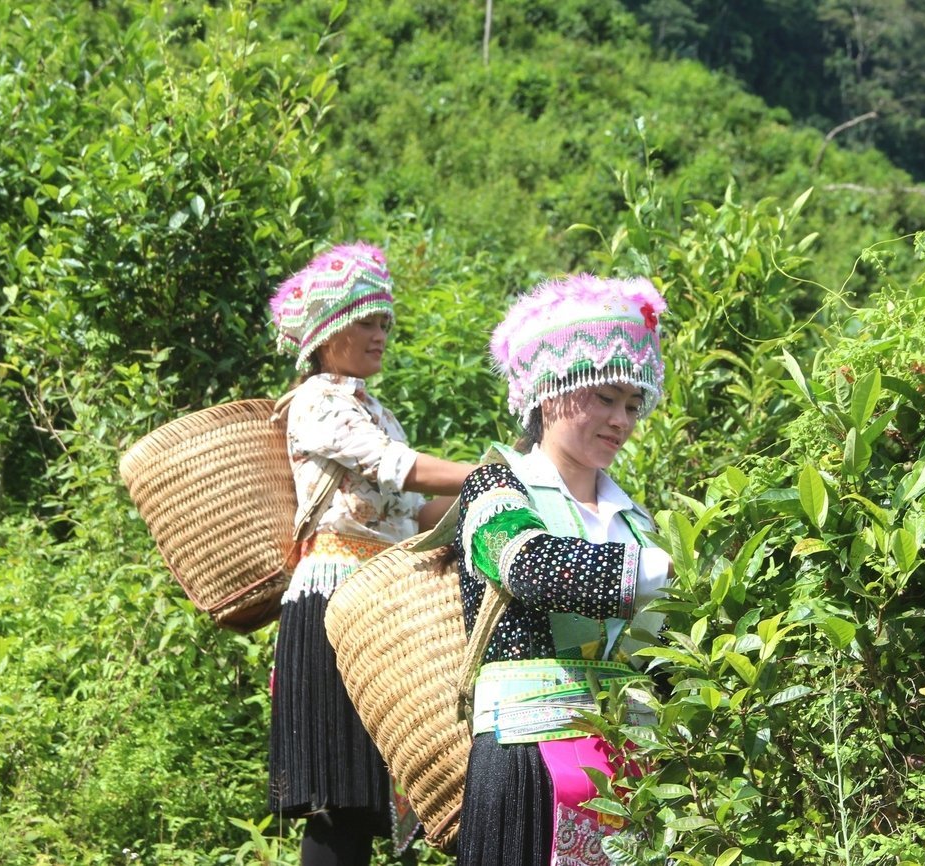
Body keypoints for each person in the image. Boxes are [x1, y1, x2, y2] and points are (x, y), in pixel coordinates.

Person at [452, 274, 674, 866]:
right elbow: (528, 565)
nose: (620, 420)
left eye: (631, 404)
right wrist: (664, 573)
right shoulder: (496, 488)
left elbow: (665, 652)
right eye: (603, 398)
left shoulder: (637, 521)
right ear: (551, 392)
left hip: (629, 767)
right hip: (527, 762)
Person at [268, 242, 474, 865]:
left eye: (385, 322)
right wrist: (497, 474)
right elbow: (398, 470)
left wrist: (488, 507)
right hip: (333, 599)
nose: (380, 334)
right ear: (328, 332)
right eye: (366, 321)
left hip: (380, 600)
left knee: (378, 791)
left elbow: (409, 513)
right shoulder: (315, 402)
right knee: (341, 797)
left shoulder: (372, 407)